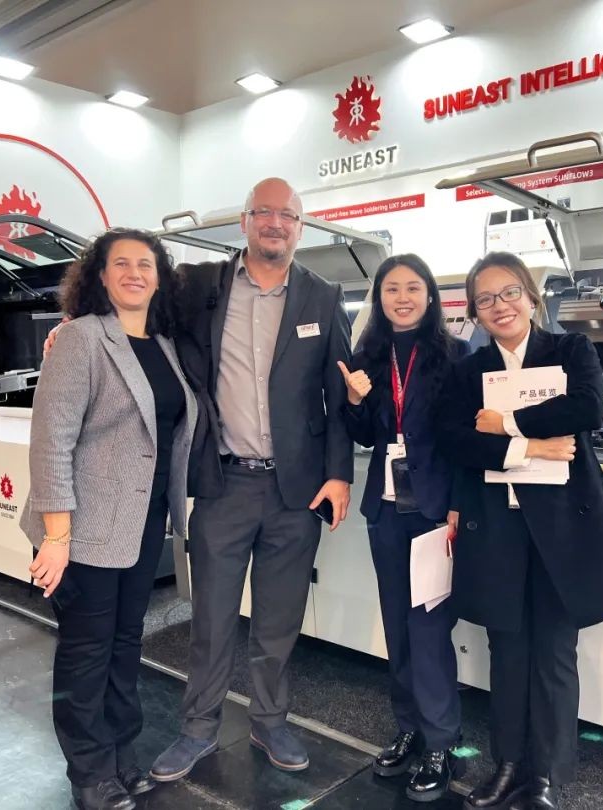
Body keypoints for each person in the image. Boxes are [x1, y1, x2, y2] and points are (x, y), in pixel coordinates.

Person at [150, 177, 354, 780]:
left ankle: (269, 721)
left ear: (300, 227)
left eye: (287, 215)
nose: (275, 223)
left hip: (297, 491)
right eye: (264, 212)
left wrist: (339, 474)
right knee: (211, 618)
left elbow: (338, 395)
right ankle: (198, 728)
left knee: (278, 618)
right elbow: (139, 312)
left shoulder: (323, 296)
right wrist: (74, 323)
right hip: (224, 483)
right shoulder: (200, 286)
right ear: (244, 221)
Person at [437, 251, 603, 810]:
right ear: (475, 313)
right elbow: (454, 439)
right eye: (485, 299)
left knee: (554, 650)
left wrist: (505, 423)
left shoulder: (570, 350)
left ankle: (548, 777)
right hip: (496, 526)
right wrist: (528, 447)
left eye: (510, 292)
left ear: (530, 298)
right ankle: (508, 765)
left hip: (560, 527)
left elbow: (587, 407)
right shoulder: (467, 372)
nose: (500, 306)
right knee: (506, 649)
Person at [21, 229, 199, 810]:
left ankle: (121, 753)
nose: (134, 273)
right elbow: (51, 442)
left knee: (125, 642)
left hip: (143, 522)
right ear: (100, 275)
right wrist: (56, 537)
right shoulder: (80, 338)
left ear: (159, 276)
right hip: (83, 527)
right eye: (121, 263)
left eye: (145, 264)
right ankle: (88, 772)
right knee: (87, 651)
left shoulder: (164, 344)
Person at [337, 254, 469, 802]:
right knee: (397, 624)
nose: (403, 297)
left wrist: (458, 503)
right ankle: (409, 727)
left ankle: (441, 741)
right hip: (387, 511)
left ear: (430, 295)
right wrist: (354, 400)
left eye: (413, 287)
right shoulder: (366, 356)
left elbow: (465, 437)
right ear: (379, 298)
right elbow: (363, 434)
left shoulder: (456, 355)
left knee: (429, 628)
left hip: (435, 510)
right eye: (392, 289)